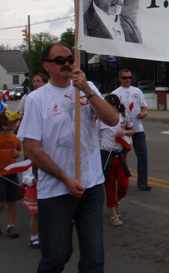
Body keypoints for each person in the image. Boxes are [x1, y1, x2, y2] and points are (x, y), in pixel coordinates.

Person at [17, 43, 119, 273]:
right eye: (59, 61)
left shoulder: (87, 87)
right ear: (47, 66)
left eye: (69, 59)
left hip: (91, 186)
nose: (66, 64)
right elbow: (31, 149)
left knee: (94, 257)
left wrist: (87, 91)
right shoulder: (36, 99)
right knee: (57, 255)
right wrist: (65, 178)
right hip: (56, 190)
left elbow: (112, 121)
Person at [112, 69, 151, 190]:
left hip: (137, 128)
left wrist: (144, 113)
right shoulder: (115, 93)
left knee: (143, 155)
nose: (127, 79)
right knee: (120, 156)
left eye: (129, 77)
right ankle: (121, 181)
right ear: (120, 79)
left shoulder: (137, 91)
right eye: (125, 78)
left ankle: (142, 182)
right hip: (123, 129)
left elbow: (144, 106)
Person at [99, 94, 134, 227]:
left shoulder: (123, 117)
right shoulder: (100, 119)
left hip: (120, 154)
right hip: (107, 154)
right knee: (109, 185)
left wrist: (124, 133)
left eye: (113, 107)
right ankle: (113, 214)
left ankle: (117, 201)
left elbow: (132, 130)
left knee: (124, 184)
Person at [0, 110, 22, 239]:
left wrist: (17, 155)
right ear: (4, 126)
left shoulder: (14, 139)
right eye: (12, 123)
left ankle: (10, 226)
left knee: (12, 201)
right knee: (1, 203)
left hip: (11, 172)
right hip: (0, 174)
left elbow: (18, 152)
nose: (14, 125)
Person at [22, 165, 39, 248]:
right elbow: (25, 178)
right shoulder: (30, 166)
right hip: (35, 191)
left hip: (47, 190)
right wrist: (32, 180)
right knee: (35, 215)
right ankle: (34, 237)